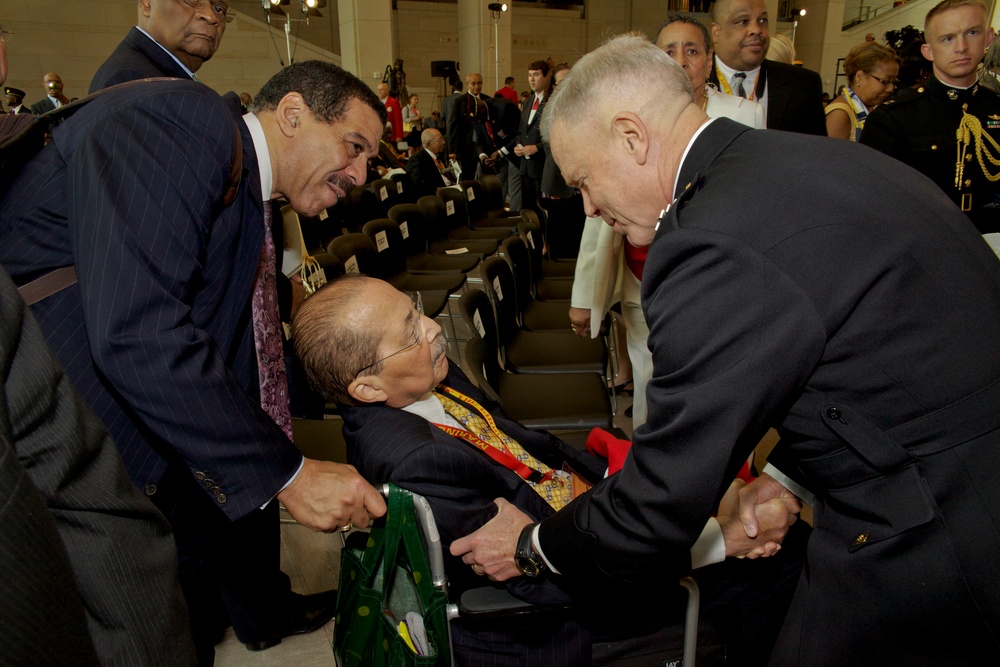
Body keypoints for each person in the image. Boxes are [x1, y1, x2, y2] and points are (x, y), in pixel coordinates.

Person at [451, 33, 1000, 665]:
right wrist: (784, 479)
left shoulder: (706, 240)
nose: (591, 207)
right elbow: (872, 363)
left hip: (941, 528)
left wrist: (531, 545)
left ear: (631, 137)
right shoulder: (807, 160)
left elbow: (661, 501)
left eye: (584, 181)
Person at [0, 61, 388, 664]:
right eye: (354, 147)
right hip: (59, 459)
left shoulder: (243, 186)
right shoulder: (188, 120)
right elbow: (139, 331)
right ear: (292, 114)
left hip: (131, 469)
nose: (360, 174)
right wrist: (289, 474)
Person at [292, 274, 805, 666]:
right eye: (408, 332)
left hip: (585, 515)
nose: (429, 329)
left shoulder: (422, 383)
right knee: (784, 569)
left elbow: (536, 455)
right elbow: (546, 576)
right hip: (564, 607)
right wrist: (716, 540)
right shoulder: (415, 460)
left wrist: (647, 490)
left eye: (416, 311)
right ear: (367, 388)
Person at [571, 15, 765, 428]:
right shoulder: (628, 113)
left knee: (724, 381)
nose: (681, 60)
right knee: (647, 375)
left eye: (691, 50)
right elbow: (599, 208)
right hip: (642, 270)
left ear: (709, 60)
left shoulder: (744, 114)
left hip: (718, 277)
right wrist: (584, 293)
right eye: (668, 51)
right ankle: (651, 459)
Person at [860, 0, 1000, 234]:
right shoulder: (894, 118)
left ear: (989, 37)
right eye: (948, 38)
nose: (961, 47)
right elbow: (873, 204)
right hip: (927, 242)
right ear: (928, 51)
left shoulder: (995, 105)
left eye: (972, 33)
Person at [708, 0, 826, 134]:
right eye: (743, 21)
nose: (757, 30)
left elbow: (816, 152)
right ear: (716, 32)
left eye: (763, 20)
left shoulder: (804, 85)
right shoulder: (690, 84)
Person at [89, 0, 229, 93]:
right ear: (148, 4)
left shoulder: (159, 74)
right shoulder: (129, 79)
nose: (211, 17)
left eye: (219, 9)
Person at [825, 42, 900, 141]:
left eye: (894, 82)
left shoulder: (872, 108)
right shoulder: (840, 114)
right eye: (885, 82)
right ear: (860, 76)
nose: (890, 88)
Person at [446, 72, 496, 180]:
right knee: (468, 176)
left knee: (488, 177)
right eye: (473, 83)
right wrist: (452, 150)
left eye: (479, 83)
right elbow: (453, 126)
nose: (477, 86)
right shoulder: (459, 101)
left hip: (485, 146)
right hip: (466, 146)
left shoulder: (488, 100)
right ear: (467, 84)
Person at [407, 128, 454, 196]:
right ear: (429, 143)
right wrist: (437, 190)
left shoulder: (439, 157)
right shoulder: (417, 159)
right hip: (435, 197)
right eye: (439, 140)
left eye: (443, 139)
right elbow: (417, 184)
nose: (443, 142)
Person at [378, 80, 405, 144]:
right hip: (381, 134)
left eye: (381, 89)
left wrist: (399, 135)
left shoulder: (393, 102)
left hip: (392, 135)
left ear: (387, 90)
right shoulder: (377, 102)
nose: (379, 91)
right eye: (378, 89)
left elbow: (398, 120)